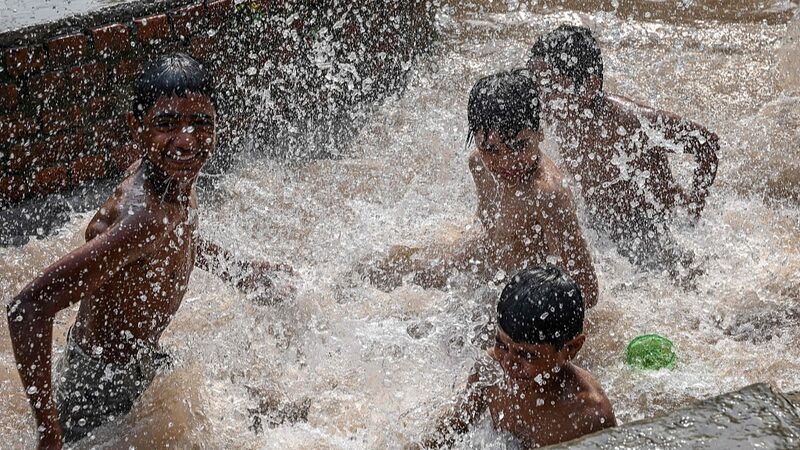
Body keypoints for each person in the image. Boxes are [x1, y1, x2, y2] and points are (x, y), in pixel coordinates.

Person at [6, 53, 292, 448]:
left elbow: (181, 237)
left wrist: (239, 270)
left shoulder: (175, 176)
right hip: (99, 390)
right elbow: (28, 308)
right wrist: (48, 436)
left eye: (201, 123)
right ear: (137, 128)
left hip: (143, 361)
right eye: (167, 124)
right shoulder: (142, 218)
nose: (186, 140)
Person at [367, 71, 598, 307]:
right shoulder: (479, 163)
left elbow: (587, 291)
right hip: (485, 265)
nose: (507, 162)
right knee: (384, 272)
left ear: (540, 132)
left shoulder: (547, 195)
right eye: (492, 149)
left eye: (519, 146)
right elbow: (486, 224)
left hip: (520, 292)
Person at [527, 25, 719, 275]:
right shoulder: (560, 119)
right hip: (602, 226)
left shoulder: (627, 122)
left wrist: (694, 210)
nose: (539, 98)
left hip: (654, 227)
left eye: (550, 87)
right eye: (536, 85)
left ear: (589, 87)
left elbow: (707, 142)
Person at [417, 265, 616, 449]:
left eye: (527, 355)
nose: (508, 363)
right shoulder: (490, 370)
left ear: (572, 348)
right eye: (501, 345)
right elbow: (450, 430)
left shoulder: (589, 416)